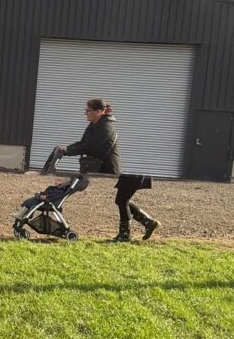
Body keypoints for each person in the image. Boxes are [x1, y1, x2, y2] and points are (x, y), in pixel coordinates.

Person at [56, 98, 160, 242]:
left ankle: (127, 234)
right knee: (122, 200)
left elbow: (91, 148)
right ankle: (148, 223)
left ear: (99, 112)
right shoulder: (94, 126)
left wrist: (67, 151)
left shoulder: (106, 127)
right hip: (117, 171)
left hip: (118, 170)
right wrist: (66, 148)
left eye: (88, 110)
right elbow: (83, 143)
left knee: (122, 200)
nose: (85, 113)